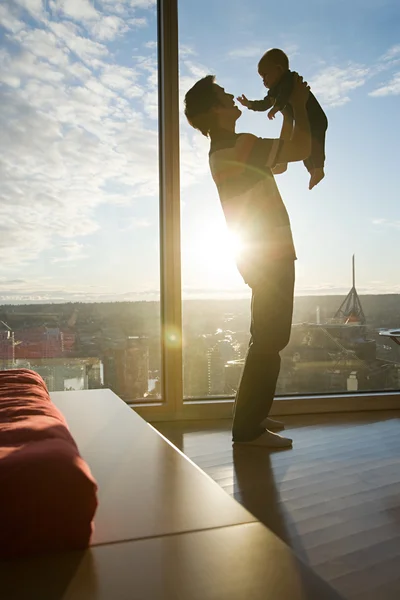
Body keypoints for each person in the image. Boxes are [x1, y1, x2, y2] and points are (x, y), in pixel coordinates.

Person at [184, 72, 311, 448]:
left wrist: (287, 109)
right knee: (272, 339)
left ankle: (251, 414)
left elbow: (283, 160)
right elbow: (301, 148)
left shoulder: (229, 149)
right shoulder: (237, 146)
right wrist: (299, 105)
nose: (230, 94)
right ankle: (249, 430)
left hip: (260, 255)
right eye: (223, 94)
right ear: (216, 109)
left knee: (264, 337)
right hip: (269, 254)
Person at [237, 48, 327, 191]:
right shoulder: (274, 91)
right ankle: (312, 171)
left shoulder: (289, 80)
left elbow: (284, 95)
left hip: (315, 119)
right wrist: (250, 104)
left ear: (279, 69)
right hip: (301, 121)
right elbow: (265, 104)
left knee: (315, 146)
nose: (264, 81)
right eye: (262, 78)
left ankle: (319, 168)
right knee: (303, 147)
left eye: (265, 75)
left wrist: (276, 107)